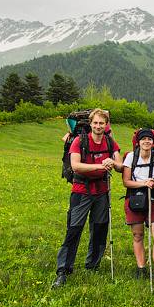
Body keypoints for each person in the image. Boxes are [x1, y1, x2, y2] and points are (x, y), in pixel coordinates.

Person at [52, 108, 123, 288]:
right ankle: (63, 271)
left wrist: (113, 163)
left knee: (99, 230)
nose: (98, 126)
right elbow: (75, 166)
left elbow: (120, 166)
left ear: (106, 125)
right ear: (90, 124)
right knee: (74, 229)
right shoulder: (79, 141)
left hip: (101, 191)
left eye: (102, 123)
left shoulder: (110, 142)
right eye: (96, 123)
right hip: (81, 190)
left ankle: (92, 266)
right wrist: (101, 165)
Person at [122, 129, 154, 281]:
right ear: (138, 141)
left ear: (153, 141)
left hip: (152, 198)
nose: (146, 142)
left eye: (149, 139)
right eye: (143, 139)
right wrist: (143, 183)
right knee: (138, 235)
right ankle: (141, 268)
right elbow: (126, 181)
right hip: (134, 198)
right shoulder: (130, 156)